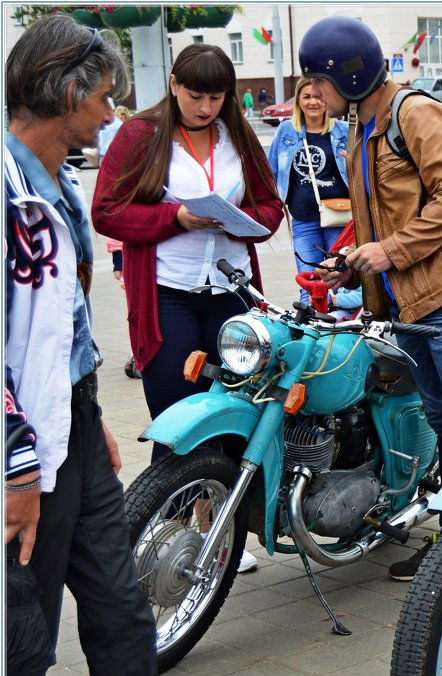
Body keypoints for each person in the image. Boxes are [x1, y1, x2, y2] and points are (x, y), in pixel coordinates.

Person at [4, 15, 194, 676]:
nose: (112, 113)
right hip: (20, 454)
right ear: (67, 92)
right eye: (104, 97)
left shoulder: (57, 180)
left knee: (122, 608)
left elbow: (65, 326)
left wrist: (89, 417)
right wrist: (16, 462)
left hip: (73, 431)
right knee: (23, 637)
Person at [298, 16, 442, 581]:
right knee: (441, 419)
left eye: (318, 79)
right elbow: (376, 218)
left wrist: (389, 251)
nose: (311, 92)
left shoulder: (414, 113)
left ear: (352, 72)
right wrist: (352, 264)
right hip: (405, 299)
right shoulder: (357, 126)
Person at [91, 44, 284, 463]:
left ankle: (222, 519)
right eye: (195, 95)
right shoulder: (142, 133)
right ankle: (173, 521)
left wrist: (241, 219)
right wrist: (175, 217)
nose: (205, 107)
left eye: (216, 97)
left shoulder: (239, 134)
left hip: (232, 295)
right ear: (174, 84)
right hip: (168, 295)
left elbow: (271, 207)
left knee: (238, 421)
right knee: (177, 422)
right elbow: (107, 211)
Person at [267, 75, 350, 303]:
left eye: (318, 96)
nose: (313, 102)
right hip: (304, 219)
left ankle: (338, 334)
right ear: (298, 101)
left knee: (339, 282)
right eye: (307, 97)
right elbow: (270, 171)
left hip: (340, 219)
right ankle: (310, 334)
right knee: (309, 283)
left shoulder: (344, 130)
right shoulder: (286, 131)